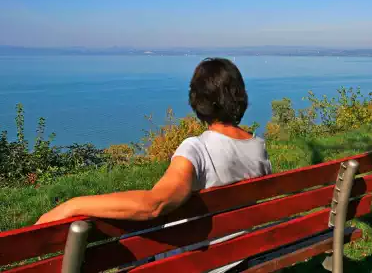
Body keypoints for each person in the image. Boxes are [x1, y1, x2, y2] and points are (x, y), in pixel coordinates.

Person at [36, 58, 272, 272]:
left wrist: (74, 204)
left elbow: (154, 205)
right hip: (239, 257)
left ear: (198, 102)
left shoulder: (196, 148)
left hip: (198, 264)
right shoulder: (257, 146)